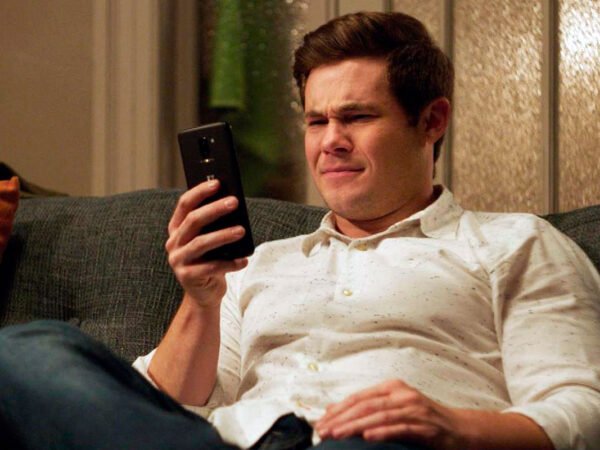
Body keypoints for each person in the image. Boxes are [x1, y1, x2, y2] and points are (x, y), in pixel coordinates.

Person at [0, 11, 599, 450]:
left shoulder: (514, 244)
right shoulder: (258, 263)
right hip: (231, 441)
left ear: (431, 120)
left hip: (372, 444)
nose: (330, 141)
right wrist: (201, 301)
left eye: (357, 117)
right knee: (26, 350)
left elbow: (583, 408)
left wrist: (452, 425)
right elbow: (161, 409)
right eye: (316, 121)